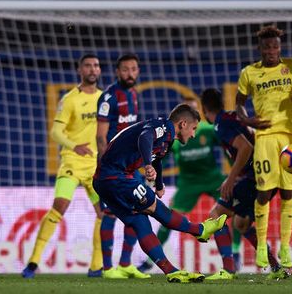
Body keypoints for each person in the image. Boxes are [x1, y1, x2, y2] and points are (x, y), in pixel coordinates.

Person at [92, 104, 228, 283]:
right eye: (193, 129)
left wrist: (159, 184)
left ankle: (171, 271)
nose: (194, 134)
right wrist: (147, 165)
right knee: (156, 208)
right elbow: (145, 136)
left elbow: (157, 158)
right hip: (116, 177)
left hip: (103, 181)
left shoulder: (167, 140)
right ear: (183, 124)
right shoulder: (161, 127)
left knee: (139, 221)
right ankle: (200, 230)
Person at [21, 55, 105, 279]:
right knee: (60, 206)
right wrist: (74, 146)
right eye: (88, 65)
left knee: (104, 213)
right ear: (80, 70)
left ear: (99, 70)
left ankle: (96, 267)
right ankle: (33, 262)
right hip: (72, 162)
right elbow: (55, 132)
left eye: (96, 65)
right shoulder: (69, 99)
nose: (92, 69)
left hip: (96, 166)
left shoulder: (105, 99)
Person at [236, 25, 292, 269]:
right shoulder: (249, 73)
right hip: (265, 137)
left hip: (290, 139)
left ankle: (285, 248)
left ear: (280, 47)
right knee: (264, 193)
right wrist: (247, 120)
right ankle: (262, 247)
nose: (271, 51)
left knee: (287, 193)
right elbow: (239, 103)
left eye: (275, 46)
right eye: (267, 47)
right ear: (260, 48)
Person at [200, 88, 287, 280]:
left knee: (216, 214)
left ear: (204, 108)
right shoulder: (234, 117)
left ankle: (228, 270)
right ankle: (277, 268)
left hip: (256, 176)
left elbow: (245, 148)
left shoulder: (221, 124)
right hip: (267, 173)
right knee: (241, 223)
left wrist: (231, 179)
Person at [136, 96, 223, 271]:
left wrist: (234, 172)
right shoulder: (174, 139)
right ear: (182, 120)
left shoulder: (206, 130)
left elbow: (227, 145)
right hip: (188, 183)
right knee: (168, 216)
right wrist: (156, 180)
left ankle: (234, 255)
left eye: (194, 109)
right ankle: (149, 261)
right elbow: (159, 157)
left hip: (213, 179)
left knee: (230, 211)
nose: (193, 132)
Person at [95, 53, 146, 279]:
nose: (130, 73)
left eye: (133, 69)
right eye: (125, 69)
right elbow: (100, 136)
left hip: (130, 166)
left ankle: (125, 263)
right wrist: (105, 164)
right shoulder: (108, 98)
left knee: (138, 208)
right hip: (112, 166)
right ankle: (107, 268)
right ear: (117, 72)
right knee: (110, 213)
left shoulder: (133, 94)